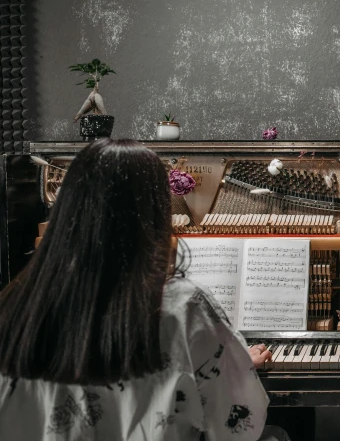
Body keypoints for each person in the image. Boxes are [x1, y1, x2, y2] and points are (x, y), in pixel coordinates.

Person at [0, 138, 288, 441]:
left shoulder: (17, 307)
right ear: (154, 213)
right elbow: (242, 425)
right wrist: (234, 365)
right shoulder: (182, 306)